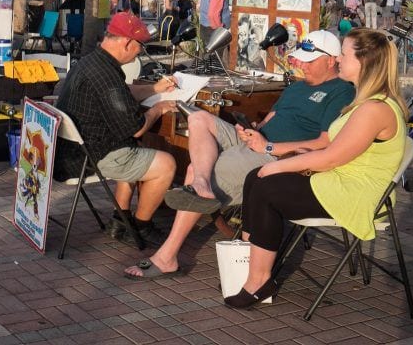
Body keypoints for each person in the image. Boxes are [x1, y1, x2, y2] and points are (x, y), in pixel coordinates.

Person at [124, 30, 354, 279]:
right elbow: (270, 118)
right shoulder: (298, 87)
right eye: (301, 59)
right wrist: (251, 131)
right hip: (259, 142)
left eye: (309, 61)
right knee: (199, 118)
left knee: (193, 171)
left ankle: (167, 256)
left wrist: (267, 146)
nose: (301, 65)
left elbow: (326, 142)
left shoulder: (341, 91)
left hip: (277, 156)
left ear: (331, 60)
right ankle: (201, 183)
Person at [225, 29, 407, 308]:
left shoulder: (375, 108)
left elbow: (330, 157)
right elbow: (330, 154)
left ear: (364, 61)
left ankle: (259, 281)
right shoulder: (364, 102)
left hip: (355, 194)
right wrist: (276, 161)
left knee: (266, 186)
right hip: (338, 181)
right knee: (256, 179)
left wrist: (274, 162)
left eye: (344, 55)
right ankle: (247, 269)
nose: (340, 60)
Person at [53, 12, 178, 240]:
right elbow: (136, 127)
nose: (141, 50)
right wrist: (159, 109)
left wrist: (155, 90)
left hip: (69, 150)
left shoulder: (92, 61)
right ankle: (141, 226)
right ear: (128, 43)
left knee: (131, 144)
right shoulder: (106, 75)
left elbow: (123, 92)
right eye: (140, 45)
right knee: (166, 164)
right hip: (87, 158)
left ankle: (120, 221)